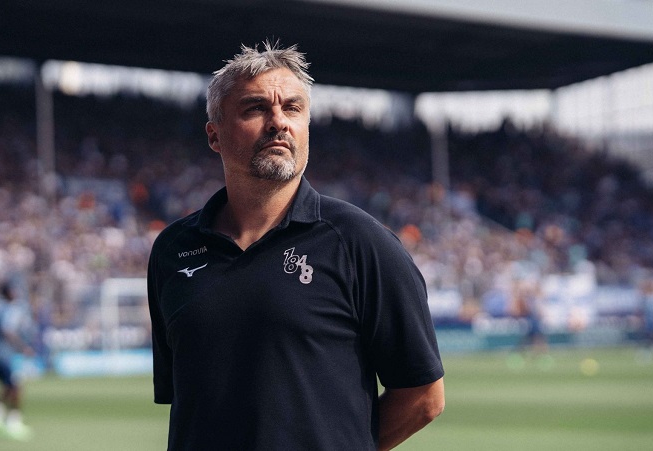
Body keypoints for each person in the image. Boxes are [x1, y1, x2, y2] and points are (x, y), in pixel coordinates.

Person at [147, 40, 445, 451]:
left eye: (292, 108)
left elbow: (424, 398)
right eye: (255, 108)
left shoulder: (360, 241)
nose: (278, 122)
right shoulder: (173, 248)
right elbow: (185, 399)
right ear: (214, 136)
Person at [0, 281, 36, 441]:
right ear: (8, 293)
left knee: (7, 385)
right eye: (14, 290)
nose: (17, 293)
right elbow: (7, 331)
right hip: (2, 354)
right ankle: (14, 423)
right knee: (16, 386)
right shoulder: (10, 309)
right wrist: (23, 347)